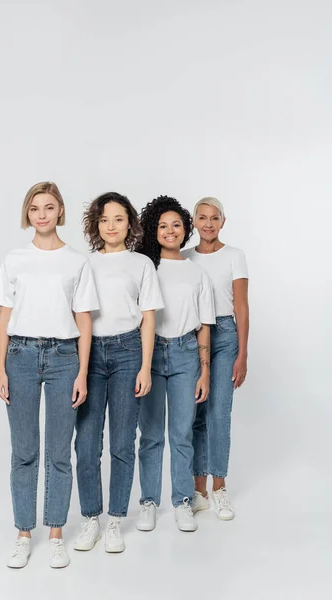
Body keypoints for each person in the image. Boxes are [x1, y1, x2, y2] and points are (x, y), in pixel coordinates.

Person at [0, 181, 99, 568]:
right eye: (35, 207)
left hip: (63, 357)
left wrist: (82, 372)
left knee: (58, 452)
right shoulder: (14, 259)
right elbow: (4, 316)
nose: (41, 214)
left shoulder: (76, 261)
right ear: (27, 213)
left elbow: (83, 319)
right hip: (19, 355)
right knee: (24, 451)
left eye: (49, 207)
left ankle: (55, 533)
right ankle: (24, 533)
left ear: (60, 212)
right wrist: (0, 368)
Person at [74, 192, 164, 553]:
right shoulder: (85, 265)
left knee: (123, 442)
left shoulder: (141, 264)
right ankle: (91, 518)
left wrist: (145, 366)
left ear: (130, 224)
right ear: (96, 225)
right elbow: (78, 316)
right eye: (105, 220)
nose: (112, 226)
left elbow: (149, 318)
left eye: (119, 219)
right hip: (91, 353)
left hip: (129, 354)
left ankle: (114, 519)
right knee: (86, 443)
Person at [135, 195, 215, 532]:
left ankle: (182, 500)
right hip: (149, 356)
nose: (170, 231)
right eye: (162, 226)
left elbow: (205, 325)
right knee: (151, 435)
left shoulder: (197, 273)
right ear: (154, 230)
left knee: (182, 433)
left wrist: (205, 371)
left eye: (176, 225)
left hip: (185, 354)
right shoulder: (144, 267)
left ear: (186, 229)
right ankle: (149, 502)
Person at [183, 196, 249, 520]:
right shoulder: (184, 258)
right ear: (194, 222)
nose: (208, 223)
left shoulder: (235, 256)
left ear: (223, 222)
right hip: (191, 336)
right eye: (202, 217)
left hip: (224, 336)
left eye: (214, 218)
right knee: (196, 413)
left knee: (219, 412)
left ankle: (220, 487)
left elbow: (241, 306)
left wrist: (243, 353)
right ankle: (199, 491)